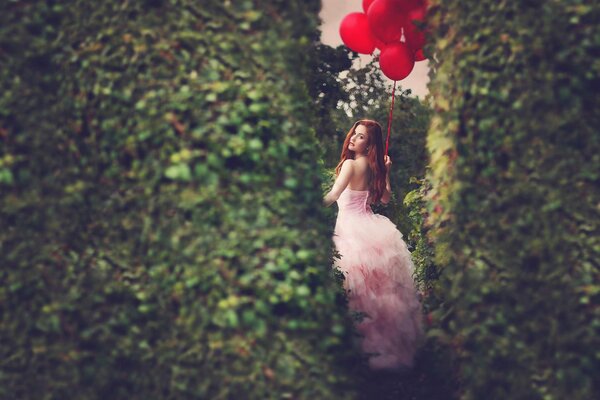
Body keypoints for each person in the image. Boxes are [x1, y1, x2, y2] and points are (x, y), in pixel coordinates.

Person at [323, 119, 422, 370]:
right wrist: (387, 172)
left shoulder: (350, 164)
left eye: (362, 137)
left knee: (353, 288)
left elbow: (334, 195)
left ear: (369, 144)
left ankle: (349, 352)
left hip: (351, 230)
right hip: (371, 228)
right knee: (375, 295)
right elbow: (386, 198)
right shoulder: (373, 166)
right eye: (354, 134)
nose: (354, 139)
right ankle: (375, 350)